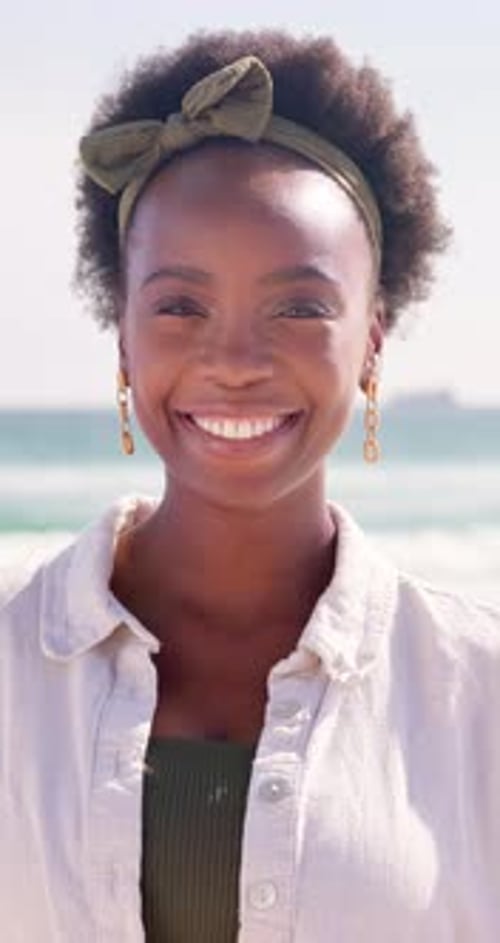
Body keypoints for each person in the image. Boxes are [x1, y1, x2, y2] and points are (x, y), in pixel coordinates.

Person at [1, 28, 499, 943]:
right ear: (123, 338)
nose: (233, 362)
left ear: (374, 342)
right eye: (180, 305)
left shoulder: (479, 696)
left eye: (300, 306)